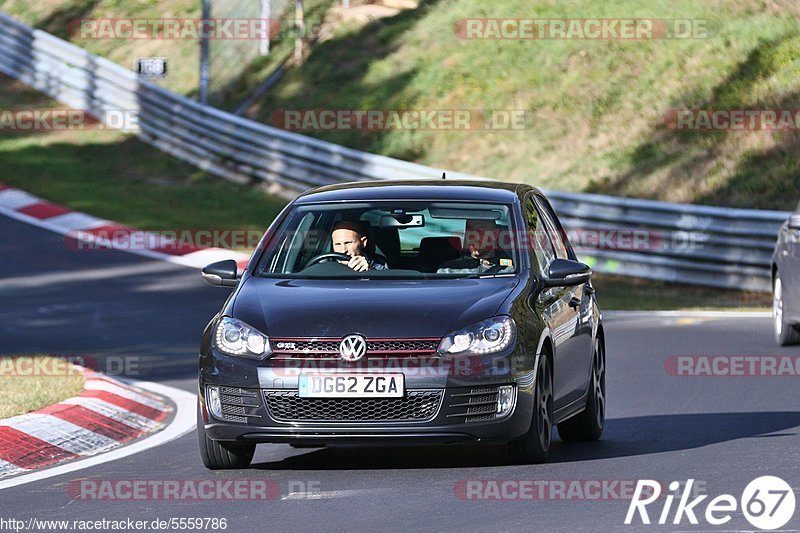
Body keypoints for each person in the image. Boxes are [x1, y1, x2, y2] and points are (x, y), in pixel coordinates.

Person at [437, 218, 512, 275]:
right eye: (469, 230)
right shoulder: (448, 270)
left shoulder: (510, 269)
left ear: (495, 234)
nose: (472, 236)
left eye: (479, 231)